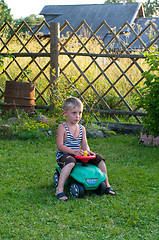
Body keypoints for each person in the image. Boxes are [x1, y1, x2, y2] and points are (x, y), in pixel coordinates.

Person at [56, 97, 115, 201]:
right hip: (65, 156)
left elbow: (85, 144)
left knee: (99, 158)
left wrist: (87, 151)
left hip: (78, 155)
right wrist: (73, 151)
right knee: (70, 161)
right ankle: (59, 189)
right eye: (74, 113)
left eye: (80, 113)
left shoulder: (82, 128)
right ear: (65, 113)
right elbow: (60, 146)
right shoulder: (62, 127)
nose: (77, 116)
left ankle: (106, 184)